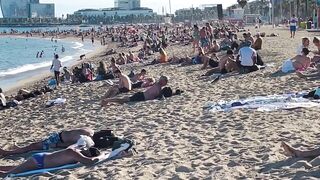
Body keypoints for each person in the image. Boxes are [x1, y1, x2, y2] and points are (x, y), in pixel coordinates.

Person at [0, 128, 121, 157]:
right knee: (33, 145)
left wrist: (56, 145)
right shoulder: (88, 137)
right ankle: (16, 149)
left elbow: (69, 146)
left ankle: (8, 152)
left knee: (33, 146)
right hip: (58, 137)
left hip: (57, 139)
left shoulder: (89, 132)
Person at [0, 147, 102, 177]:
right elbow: (89, 162)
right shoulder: (75, 154)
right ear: (88, 153)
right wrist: (101, 156)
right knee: (7, 174)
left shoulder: (75, 150)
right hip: (39, 162)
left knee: (16, 168)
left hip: (40, 159)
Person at [101, 76, 168, 105]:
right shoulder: (158, 86)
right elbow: (160, 97)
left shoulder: (157, 86)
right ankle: (107, 100)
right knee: (123, 99)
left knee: (123, 100)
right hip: (141, 96)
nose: (166, 83)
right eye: (165, 81)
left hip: (141, 95)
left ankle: (108, 100)